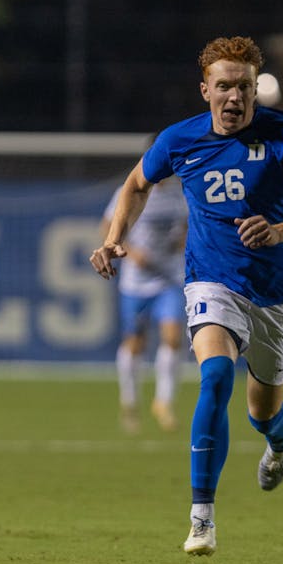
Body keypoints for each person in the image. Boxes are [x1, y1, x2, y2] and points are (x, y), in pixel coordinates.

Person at [90, 35, 283, 556]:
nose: (234, 97)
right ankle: (201, 517)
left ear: (256, 91)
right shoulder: (180, 139)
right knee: (215, 374)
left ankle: (280, 442)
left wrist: (279, 230)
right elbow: (136, 184)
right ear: (205, 89)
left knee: (263, 413)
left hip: (275, 295)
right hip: (211, 281)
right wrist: (116, 236)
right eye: (224, 86)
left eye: (244, 87)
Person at [99, 175, 188, 433]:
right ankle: (130, 401)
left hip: (169, 278)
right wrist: (129, 251)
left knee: (172, 337)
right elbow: (106, 228)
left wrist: (182, 239)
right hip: (136, 282)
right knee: (135, 343)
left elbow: (189, 224)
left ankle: (164, 401)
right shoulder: (127, 191)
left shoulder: (180, 194)